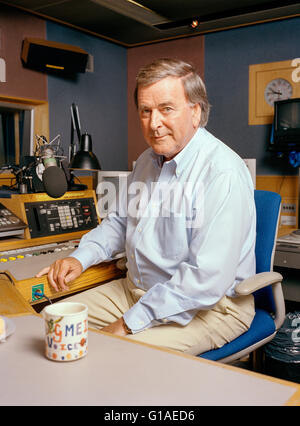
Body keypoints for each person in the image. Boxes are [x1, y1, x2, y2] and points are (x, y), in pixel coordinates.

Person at [37, 58, 256, 356]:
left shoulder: (222, 172)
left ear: (196, 111)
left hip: (210, 307)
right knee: (50, 324)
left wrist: (128, 324)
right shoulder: (146, 162)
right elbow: (119, 223)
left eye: (166, 109)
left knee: (111, 354)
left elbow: (205, 280)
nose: (154, 123)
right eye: (145, 111)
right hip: (138, 293)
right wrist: (81, 258)